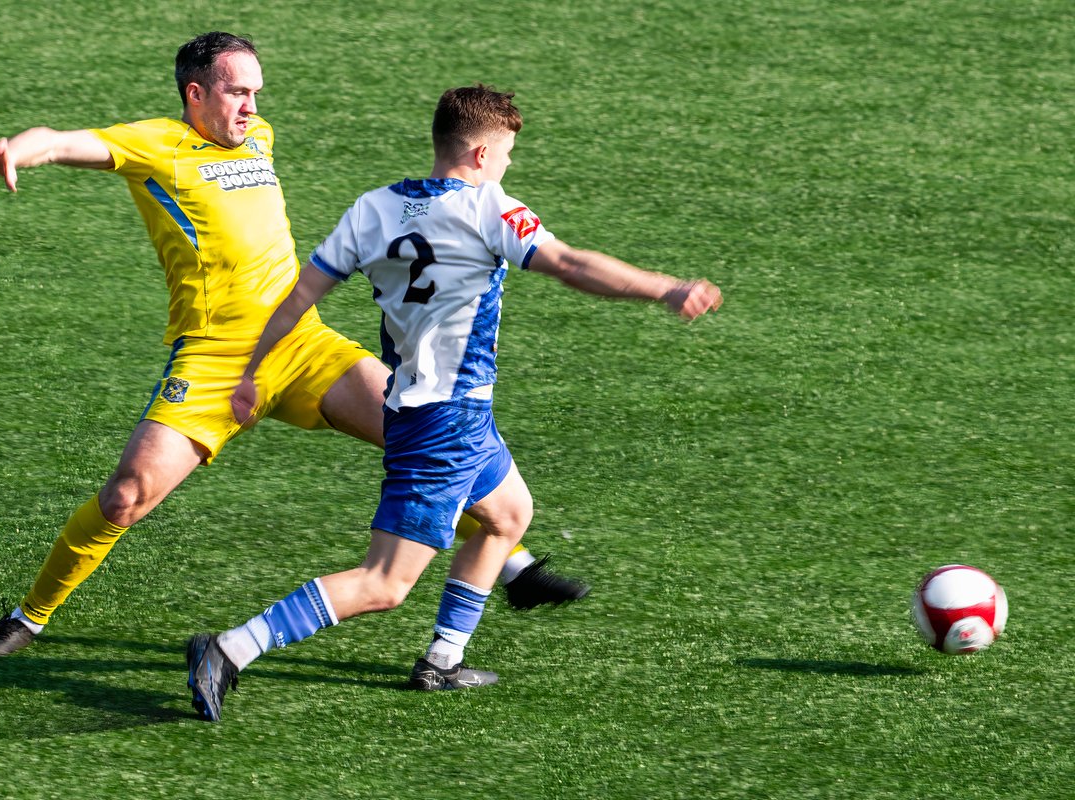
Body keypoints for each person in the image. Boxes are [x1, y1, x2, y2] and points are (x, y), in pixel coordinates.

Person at [0, 33, 589, 659]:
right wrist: (16, 149)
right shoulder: (156, 144)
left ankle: (513, 563)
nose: (252, 106)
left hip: (302, 346)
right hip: (214, 360)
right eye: (238, 92)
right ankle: (29, 617)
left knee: (423, 437)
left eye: (256, 92)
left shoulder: (257, 136)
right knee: (127, 496)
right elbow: (62, 140)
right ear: (195, 93)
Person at [184, 84, 721, 721]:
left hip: (416, 404)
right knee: (384, 584)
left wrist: (249, 372)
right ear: (478, 153)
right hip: (446, 423)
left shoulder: (372, 209)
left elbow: (299, 297)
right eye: (507, 153)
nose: (509, 165)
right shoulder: (489, 208)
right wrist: (665, 289)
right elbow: (571, 265)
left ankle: (442, 662)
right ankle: (229, 649)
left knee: (507, 515)